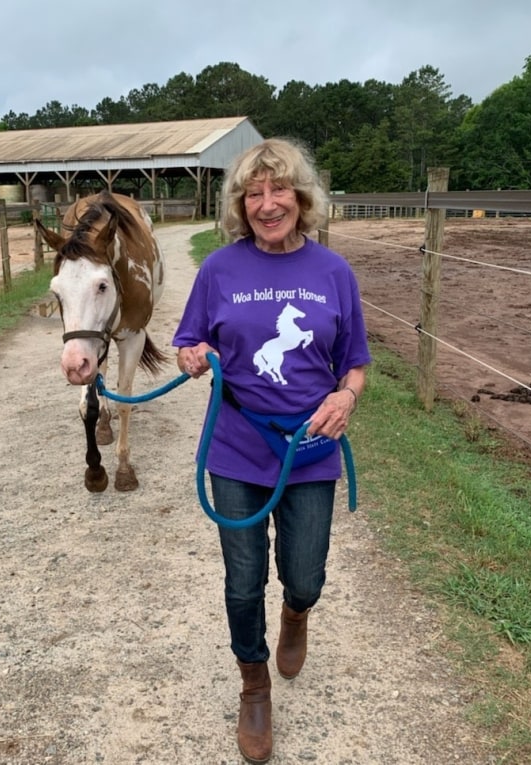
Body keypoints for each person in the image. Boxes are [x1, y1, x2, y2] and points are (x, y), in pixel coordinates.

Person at [172, 138, 371, 763]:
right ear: (240, 204)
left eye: (277, 190)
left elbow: (356, 363)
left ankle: (297, 613)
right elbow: (187, 338)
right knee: (241, 581)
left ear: (301, 197)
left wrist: (346, 398)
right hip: (237, 446)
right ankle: (253, 686)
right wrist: (191, 355)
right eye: (253, 193)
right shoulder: (219, 270)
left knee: (305, 575)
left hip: (311, 450)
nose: (266, 204)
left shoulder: (333, 273)